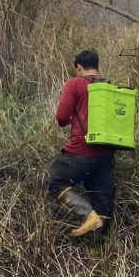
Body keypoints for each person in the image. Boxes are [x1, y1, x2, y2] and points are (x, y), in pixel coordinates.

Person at [48, 49, 115, 238]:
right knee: (102, 204)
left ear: (79, 67)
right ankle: (97, 250)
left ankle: (87, 214)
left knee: (55, 182)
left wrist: (71, 121)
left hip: (81, 151)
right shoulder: (109, 88)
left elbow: (61, 117)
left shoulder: (76, 83)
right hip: (106, 154)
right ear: (96, 66)